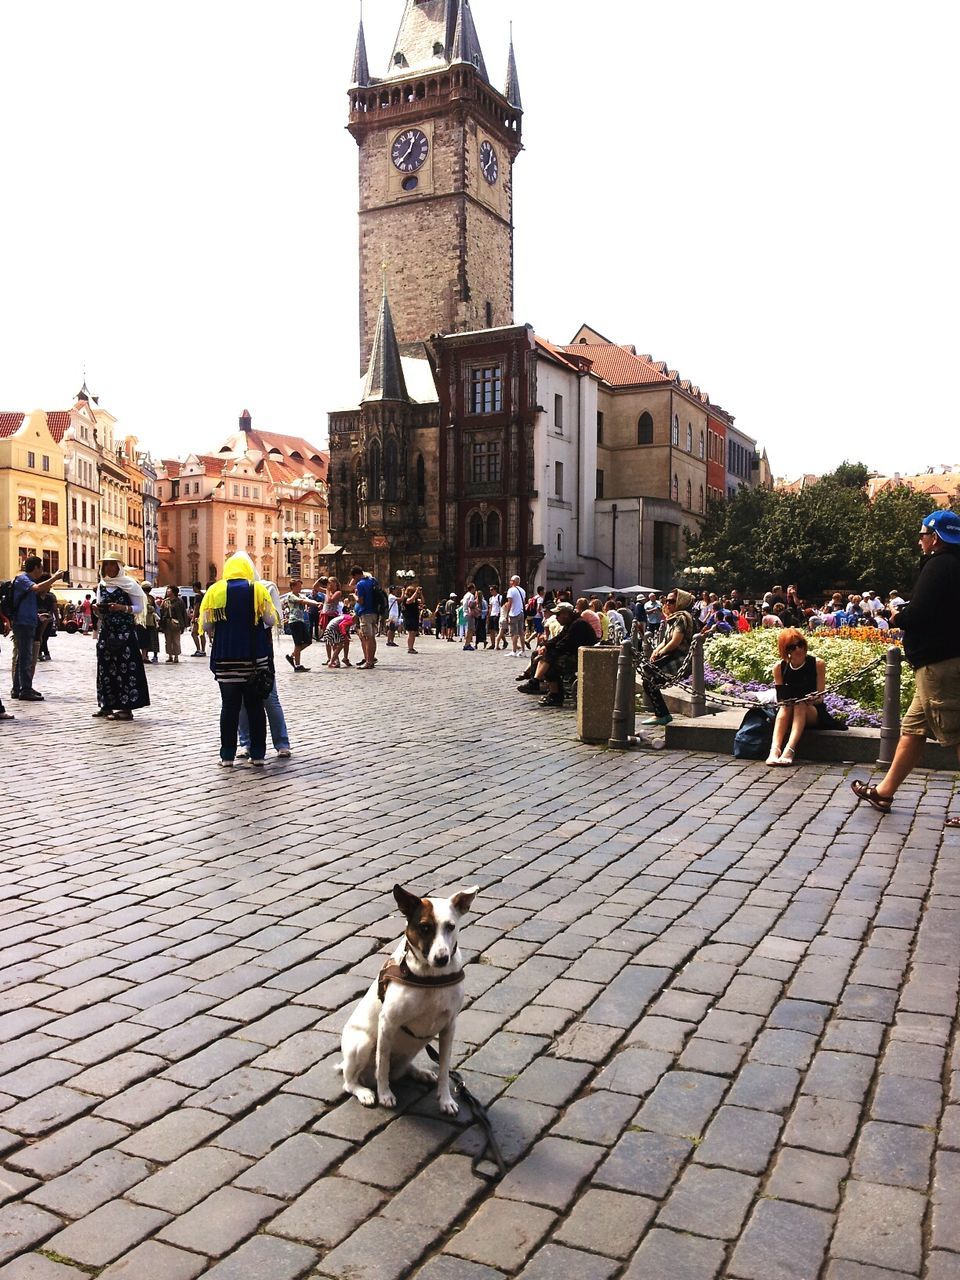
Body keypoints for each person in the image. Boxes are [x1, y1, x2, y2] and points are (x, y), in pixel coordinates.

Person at [851, 510, 960, 827]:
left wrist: (897, 618)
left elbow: (921, 613)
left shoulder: (939, 565)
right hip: (942, 662)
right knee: (913, 729)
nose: (920, 540)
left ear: (935, 537)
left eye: (923, 534)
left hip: (939, 665)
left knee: (956, 734)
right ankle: (884, 792)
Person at [200, 552, 278, 768]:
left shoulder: (215, 591)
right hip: (254, 658)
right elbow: (270, 619)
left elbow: (206, 625)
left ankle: (227, 756)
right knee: (255, 707)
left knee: (229, 707)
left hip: (226, 658)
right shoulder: (257, 589)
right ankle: (258, 755)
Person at [238, 571, 292, 760]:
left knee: (270, 697)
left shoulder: (268, 587)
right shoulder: (230, 589)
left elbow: (274, 619)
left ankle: (282, 743)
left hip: (261, 649)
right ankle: (245, 743)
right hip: (239, 651)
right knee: (243, 702)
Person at [92, 558, 150, 722]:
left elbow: (139, 608)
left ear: (118, 567)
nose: (109, 568)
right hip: (107, 632)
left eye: (112, 564)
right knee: (105, 668)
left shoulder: (130, 584)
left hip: (125, 633)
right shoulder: (102, 585)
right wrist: (97, 609)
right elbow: (100, 608)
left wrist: (122, 608)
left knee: (126, 669)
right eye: (106, 565)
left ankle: (126, 708)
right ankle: (106, 705)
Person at [765, 628, 827, 765]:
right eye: (792, 647)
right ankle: (774, 750)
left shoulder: (817, 664)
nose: (798, 649)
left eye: (801, 644)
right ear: (786, 651)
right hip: (788, 709)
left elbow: (821, 697)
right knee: (786, 705)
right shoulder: (779, 668)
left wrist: (811, 698)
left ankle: (789, 750)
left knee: (800, 704)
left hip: (812, 711)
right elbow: (781, 698)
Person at [9, 556, 66, 702]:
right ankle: (25, 689)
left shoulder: (28, 580)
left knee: (23, 657)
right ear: (35, 567)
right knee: (26, 658)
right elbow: (38, 588)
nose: (42, 570)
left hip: (28, 622)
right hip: (22, 623)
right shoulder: (23, 579)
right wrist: (54, 578)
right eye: (41, 567)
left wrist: (37, 616)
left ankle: (18, 688)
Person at [519, 600, 597, 706]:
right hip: (574, 653)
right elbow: (558, 638)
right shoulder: (571, 623)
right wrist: (545, 646)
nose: (556, 617)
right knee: (544, 655)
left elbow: (566, 643)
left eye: (558, 614)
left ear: (565, 614)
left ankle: (550, 691)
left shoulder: (579, 624)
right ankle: (542, 686)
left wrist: (548, 650)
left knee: (551, 661)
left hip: (583, 657)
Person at [640, 588, 695, 726]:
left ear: (680, 602)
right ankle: (661, 713)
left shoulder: (682, 618)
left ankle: (662, 714)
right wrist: (656, 651)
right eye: (666, 601)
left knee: (650, 678)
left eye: (671, 601)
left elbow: (675, 641)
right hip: (673, 655)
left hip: (681, 658)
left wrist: (661, 652)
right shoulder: (675, 618)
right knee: (648, 674)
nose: (667, 604)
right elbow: (665, 640)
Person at [349, 564, 379, 669]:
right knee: (372, 638)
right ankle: (371, 659)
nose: (353, 579)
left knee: (367, 638)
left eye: (353, 577)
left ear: (356, 575)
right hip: (374, 612)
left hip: (365, 612)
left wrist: (354, 596)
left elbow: (361, 601)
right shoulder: (372, 581)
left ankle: (369, 662)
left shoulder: (361, 584)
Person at [284, 578, 312, 673]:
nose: (300, 588)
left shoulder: (301, 595)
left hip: (301, 621)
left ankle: (292, 656)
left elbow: (307, 600)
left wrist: (316, 603)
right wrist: (316, 604)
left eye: (301, 586)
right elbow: (302, 601)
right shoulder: (290, 596)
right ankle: (297, 665)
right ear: (292, 587)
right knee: (298, 643)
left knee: (308, 641)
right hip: (294, 621)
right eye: (298, 586)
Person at [160, 585, 188, 662]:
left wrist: (184, 625)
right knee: (168, 640)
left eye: (169, 590)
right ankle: (170, 656)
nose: (167, 591)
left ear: (173, 592)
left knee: (176, 640)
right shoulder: (165, 601)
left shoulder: (179, 601)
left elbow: (183, 613)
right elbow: (162, 612)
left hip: (176, 622)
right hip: (167, 622)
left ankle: (176, 656)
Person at [504, 575, 526, 655]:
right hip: (521, 612)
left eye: (511, 581)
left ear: (513, 581)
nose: (510, 582)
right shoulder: (522, 591)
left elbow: (510, 602)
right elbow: (523, 602)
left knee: (513, 632)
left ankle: (513, 651)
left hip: (514, 613)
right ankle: (523, 650)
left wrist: (507, 614)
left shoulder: (511, 590)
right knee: (521, 632)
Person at [402, 584, 424, 653]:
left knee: (414, 633)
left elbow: (423, 602)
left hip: (414, 617)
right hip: (409, 618)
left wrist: (421, 594)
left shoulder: (416, 599)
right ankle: (410, 648)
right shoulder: (406, 598)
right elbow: (409, 601)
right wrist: (416, 592)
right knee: (411, 633)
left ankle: (411, 647)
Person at [141, 589, 160, 664]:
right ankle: (146, 655)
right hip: (146, 621)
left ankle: (152, 655)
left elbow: (152, 608)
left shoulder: (148, 597)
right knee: (147, 640)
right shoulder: (146, 597)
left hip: (150, 621)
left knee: (152, 639)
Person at [461, 582, 478, 650]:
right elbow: (471, 605)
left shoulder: (466, 595)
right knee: (470, 630)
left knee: (469, 629)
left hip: (465, 613)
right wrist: (476, 602)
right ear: (472, 588)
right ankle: (467, 644)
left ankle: (467, 643)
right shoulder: (471, 595)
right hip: (469, 613)